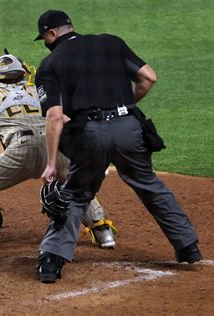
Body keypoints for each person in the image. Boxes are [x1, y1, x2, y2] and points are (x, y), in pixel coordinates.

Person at [33, 10, 203, 283]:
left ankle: (51, 262)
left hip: (90, 134)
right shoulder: (111, 42)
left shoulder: (50, 63)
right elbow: (149, 78)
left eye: (44, 38)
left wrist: (51, 163)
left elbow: (54, 116)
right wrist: (125, 105)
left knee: (76, 194)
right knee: (148, 184)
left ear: (51, 34)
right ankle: (188, 246)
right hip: (129, 129)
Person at [0, 53, 117, 269]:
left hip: (20, 152)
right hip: (56, 149)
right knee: (75, 183)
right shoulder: (39, 90)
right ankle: (104, 233)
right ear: (23, 73)